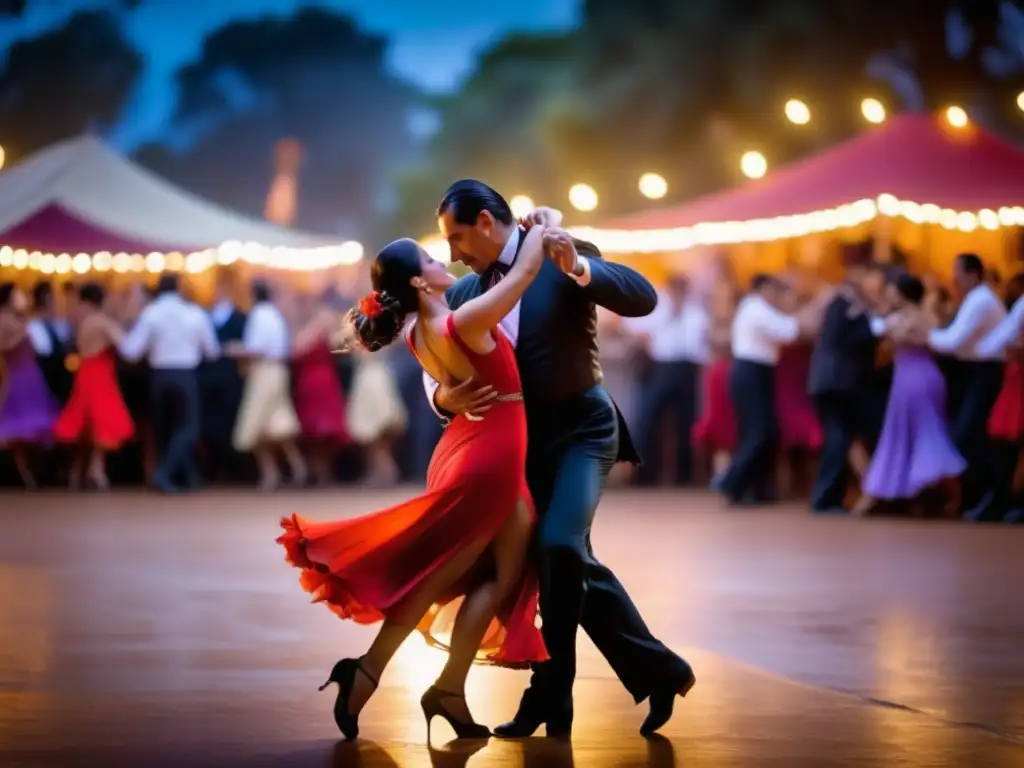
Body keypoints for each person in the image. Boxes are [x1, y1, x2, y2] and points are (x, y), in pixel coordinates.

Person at [426, 181, 693, 739]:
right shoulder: (466, 291)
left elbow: (642, 297)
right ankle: (659, 671)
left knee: (559, 549)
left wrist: (579, 269)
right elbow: (434, 363)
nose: (451, 252)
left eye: (456, 236)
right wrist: (441, 397)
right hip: (520, 445)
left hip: (583, 430)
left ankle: (553, 694)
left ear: (482, 221)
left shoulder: (559, 253)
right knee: (564, 565)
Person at [277, 228, 552, 742]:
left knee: (483, 574)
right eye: (429, 257)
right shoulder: (462, 320)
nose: (442, 258)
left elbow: (451, 382)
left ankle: (431, 683)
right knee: (461, 575)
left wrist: (448, 398)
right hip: (489, 460)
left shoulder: (417, 332)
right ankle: (381, 672)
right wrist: (540, 227)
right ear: (419, 284)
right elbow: (527, 271)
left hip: (476, 450)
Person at [856, 273, 965, 515]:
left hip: (920, 378)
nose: (889, 293)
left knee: (924, 431)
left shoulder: (920, 316)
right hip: (905, 379)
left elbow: (893, 334)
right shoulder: (903, 317)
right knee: (905, 431)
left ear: (904, 292)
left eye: (893, 289)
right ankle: (917, 494)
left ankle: (940, 492)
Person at [120, 273, 219, 493]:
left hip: (158, 376)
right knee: (188, 428)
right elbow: (212, 351)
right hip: (186, 375)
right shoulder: (194, 313)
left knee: (165, 429)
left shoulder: (151, 313)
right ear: (179, 288)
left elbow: (131, 351)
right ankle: (164, 474)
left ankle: (188, 477)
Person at [928, 254, 1006, 520]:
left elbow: (953, 341)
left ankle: (994, 495)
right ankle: (982, 499)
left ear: (972, 275)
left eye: (957, 274)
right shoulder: (975, 299)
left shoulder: (980, 300)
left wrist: (922, 333)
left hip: (982, 374)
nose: (953, 280)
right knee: (971, 436)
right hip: (975, 373)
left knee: (968, 435)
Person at [808, 256, 886, 514]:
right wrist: (877, 327)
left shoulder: (850, 303)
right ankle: (826, 497)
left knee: (844, 438)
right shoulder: (843, 303)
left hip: (839, 382)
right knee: (839, 438)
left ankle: (840, 494)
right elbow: (843, 338)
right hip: (836, 383)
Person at [53, 282, 134, 489]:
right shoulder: (101, 322)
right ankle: (96, 469)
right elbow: (127, 345)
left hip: (85, 373)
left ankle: (78, 472)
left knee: (85, 424)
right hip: (100, 375)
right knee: (101, 422)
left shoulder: (83, 322)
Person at [232, 279, 307, 490]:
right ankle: (293, 469)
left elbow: (256, 348)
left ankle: (272, 473)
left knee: (253, 426)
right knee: (276, 425)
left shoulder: (258, 315)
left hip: (264, 373)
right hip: (277, 371)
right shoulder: (275, 315)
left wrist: (233, 350)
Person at [0, 282, 59, 488]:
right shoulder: (5, 321)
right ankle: (24, 475)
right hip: (16, 377)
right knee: (17, 429)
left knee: (35, 429)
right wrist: (22, 334)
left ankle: (32, 474)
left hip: (32, 377)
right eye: (18, 295)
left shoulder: (25, 320)